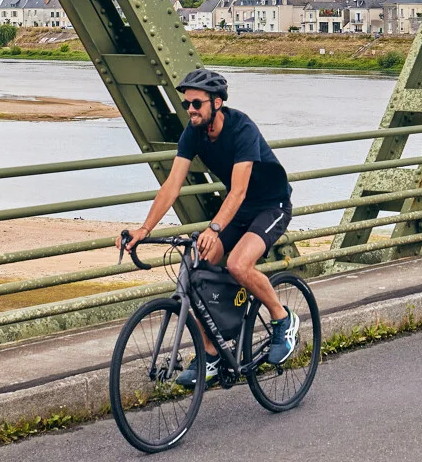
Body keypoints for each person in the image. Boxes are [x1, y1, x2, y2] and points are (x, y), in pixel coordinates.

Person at [121, 68, 298, 385]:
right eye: (187, 103)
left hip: (271, 205)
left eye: (197, 103)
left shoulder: (241, 128)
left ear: (217, 103)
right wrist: (143, 230)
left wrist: (214, 228)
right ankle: (212, 355)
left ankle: (283, 319)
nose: (190, 110)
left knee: (239, 264)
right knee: (197, 270)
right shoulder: (193, 133)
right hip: (238, 209)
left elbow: (240, 190)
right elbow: (172, 186)